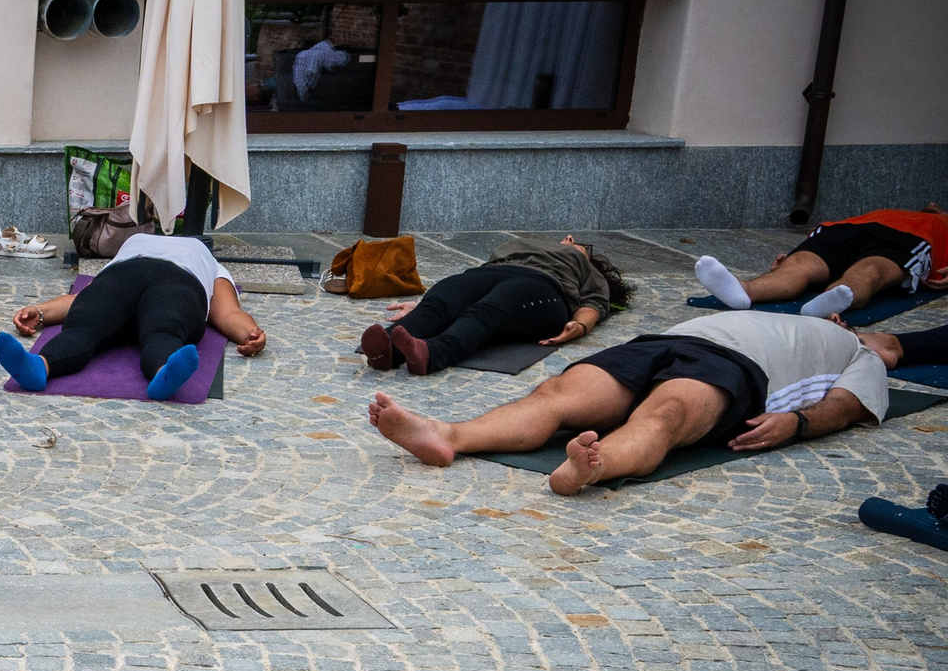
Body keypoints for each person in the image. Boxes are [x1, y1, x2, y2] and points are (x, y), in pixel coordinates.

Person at [367, 309, 888, 495]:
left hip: (736, 369)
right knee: (557, 394)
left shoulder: (859, 352)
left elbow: (844, 407)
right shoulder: (782, 313)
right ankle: (447, 435)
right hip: (660, 343)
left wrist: (795, 424)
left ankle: (590, 469)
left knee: (665, 415)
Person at [0, 233, 267, 399]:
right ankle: (37, 366)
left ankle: (41, 365)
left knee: (95, 324)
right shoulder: (206, 261)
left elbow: (228, 312)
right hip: (148, 278)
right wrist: (40, 312)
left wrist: (250, 335)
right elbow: (228, 312)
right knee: (99, 322)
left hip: (151, 278)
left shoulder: (212, 266)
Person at [360, 235, 633, 374]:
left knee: (486, 312)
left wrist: (580, 325)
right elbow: (471, 288)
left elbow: (596, 302)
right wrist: (423, 304)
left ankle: (431, 354)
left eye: (584, 249)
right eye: (580, 244)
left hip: (543, 286)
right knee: (442, 300)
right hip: (488, 274)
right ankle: (387, 350)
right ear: (568, 238)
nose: (577, 246)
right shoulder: (523, 244)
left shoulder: (584, 266)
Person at [693, 204, 948, 320]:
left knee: (871, 271)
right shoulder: (914, 212)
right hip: (849, 228)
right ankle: (744, 291)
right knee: (801, 263)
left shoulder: (938, 228)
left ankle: (828, 302)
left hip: (908, 240)